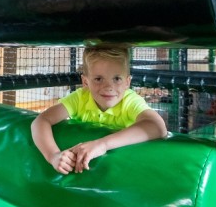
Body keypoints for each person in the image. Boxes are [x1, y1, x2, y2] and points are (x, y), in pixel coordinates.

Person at [31, 45, 168, 175]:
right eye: (98, 79)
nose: (108, 87)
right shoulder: (80, 98)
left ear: (127, 82)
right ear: (86, 82)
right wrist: (53, 155)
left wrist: (102, 144)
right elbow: (41, 120)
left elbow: (158, 127)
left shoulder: (129, 101)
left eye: (116, 79)